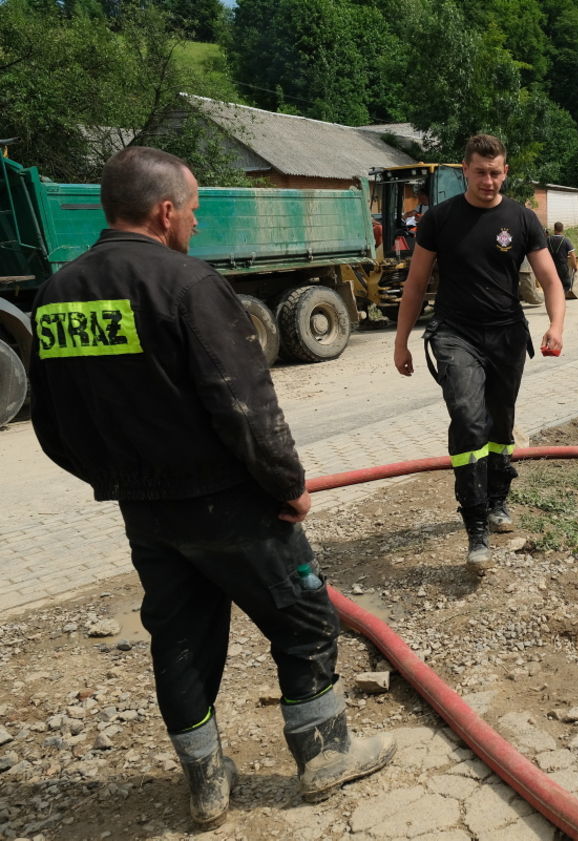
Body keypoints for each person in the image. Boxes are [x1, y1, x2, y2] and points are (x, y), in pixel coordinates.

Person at [28, 147, 395, 829]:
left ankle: (205, 783)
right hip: (231, 503)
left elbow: (51, 425)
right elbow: (245, 403)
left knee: (182, 638)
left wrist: (120, 480)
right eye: (192, 209)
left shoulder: (56, 295)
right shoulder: (188, 284)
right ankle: (324, 755)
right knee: (304, 617)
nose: (195, 223)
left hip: (146, 512)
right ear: (165, 212)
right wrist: (287, 484)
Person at [393, 134, 565, 573]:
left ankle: (497, 500)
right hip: (455, 334)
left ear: (505, 172)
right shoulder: (440, 219)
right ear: (464, 171)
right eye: (480, 171)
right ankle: (475, 528)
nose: (488, 180)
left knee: (500, 422)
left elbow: (549, 280)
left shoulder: (523, 219)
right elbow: (415, 285)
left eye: (496, 172)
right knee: (469, 420)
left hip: (507, 335)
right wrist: (400, 342)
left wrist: (556, 325)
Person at [547, 221, 577, 294]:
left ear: (554, 229)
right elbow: (572, 255)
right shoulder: (565, 240)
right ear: (562, 230)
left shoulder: (548, 239)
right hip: (562, 265)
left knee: (553, 282)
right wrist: (575, 266)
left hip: (551, 265)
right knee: (566, 284)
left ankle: (554, 296)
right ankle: (560, 298)